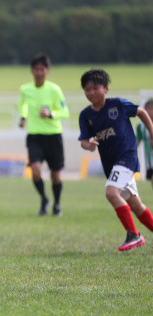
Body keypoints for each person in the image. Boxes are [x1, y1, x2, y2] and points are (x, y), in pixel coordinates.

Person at [79, 68, 153, 251]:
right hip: (111, 164)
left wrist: (152, 132)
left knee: (111, 193)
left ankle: (133, 235)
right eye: (87, 89)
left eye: (95, 88)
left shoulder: (118, 105)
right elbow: (83, 141)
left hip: (127, 157)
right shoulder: (86, 115)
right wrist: (88, 145)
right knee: (135, 204)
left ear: (106, 89)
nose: (91, 92)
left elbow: (142, 112)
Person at [19, 53, 69, 216]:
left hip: (53, 135)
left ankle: (57, 204)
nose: (39, 72)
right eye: (36, 69)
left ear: (47, 70)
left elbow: (65, 111)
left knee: (55, 174)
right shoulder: (25, 89)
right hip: (34, 135)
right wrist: (23, 117)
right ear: (32, 71)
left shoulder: (54, 90)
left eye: (42, 69)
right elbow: (23, 105)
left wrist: (51, 114)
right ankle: (43, 198)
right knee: (35, 170)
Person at [136, 99, 153, 189]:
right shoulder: (141, 126)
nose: (149, 112)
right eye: (147, 109)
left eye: (151, 109)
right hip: (149, 161)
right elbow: (137, 141)